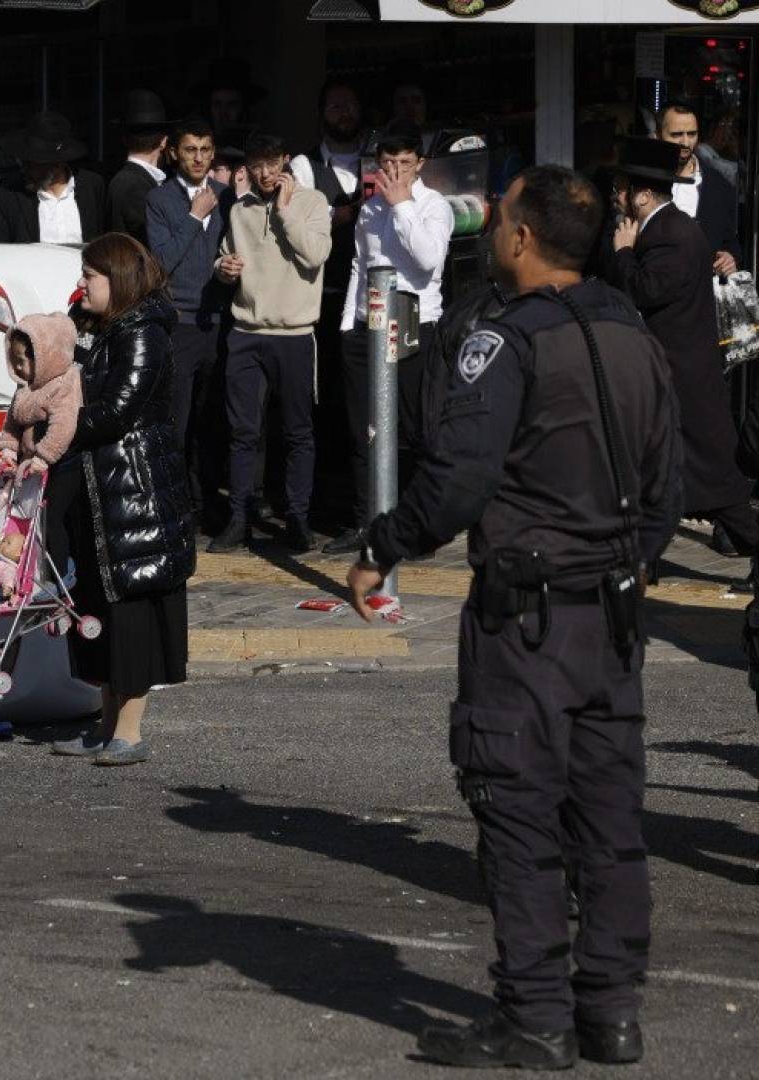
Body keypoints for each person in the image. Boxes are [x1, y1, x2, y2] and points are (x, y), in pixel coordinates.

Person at [347, 164, 679, 1071]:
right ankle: (611, 1012)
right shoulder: (633, 335)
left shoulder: (508, 339)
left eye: (499, 220)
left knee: (520, 813)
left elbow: (458, 480)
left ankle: (536, 1015)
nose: (492, 232)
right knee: (609, 820)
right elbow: (666, 488)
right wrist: (625, 563)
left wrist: (382, 545)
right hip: (611, 618)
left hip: (527, 623)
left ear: (525, 238)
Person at [47, 233, 194, 766]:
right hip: (97, 490)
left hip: (134, 492)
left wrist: (54, 428)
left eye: (91, 276)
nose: (82, 284)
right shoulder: (102, 329)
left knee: (130, 612)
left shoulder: (143, 334)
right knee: (98, 604)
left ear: (119, 279)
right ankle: (104, 725)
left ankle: (128, 732)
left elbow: (117, 410)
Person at [602, 137, 759, 556]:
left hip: (684, 381)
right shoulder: (665, 229)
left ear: (642, 196)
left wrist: (623, 253)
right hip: (674, 379)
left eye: (621, 189)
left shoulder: (670, 234)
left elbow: (644, 290)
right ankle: (636, 560)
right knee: (656, 478)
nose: (615, 197)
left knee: (720, 490)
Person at [324, 126, 455, 555]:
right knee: (364, 429)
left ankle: (417, 525)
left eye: (404, 163)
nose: (395, 171)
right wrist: (348, 323)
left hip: (415, 322)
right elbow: (360, 266)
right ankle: (367, 521)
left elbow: (427, 260)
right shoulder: (369, 209)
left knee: (416, 429)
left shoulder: (434, 206)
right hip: (367, 324)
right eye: (387, 164)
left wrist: (401, 206)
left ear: (419, 164)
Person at [211, 134, 333, 554]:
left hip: (294, 333)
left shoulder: (313, 202)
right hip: (246, 331)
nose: (264, 174)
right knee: (243, 432)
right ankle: (239, 517)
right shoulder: (240, 209)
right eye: (256, 165)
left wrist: (284, 212)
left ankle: (298, 517)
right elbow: (226, 253)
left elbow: (315, 255)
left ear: (285, 161)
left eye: (271, 164)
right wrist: (223, 267)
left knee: (298, 431)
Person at [145, 117, 232, 519]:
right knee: (177, 421)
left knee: (213, 419)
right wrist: (194, 216)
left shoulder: (227, 197)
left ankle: (208, 501)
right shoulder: (160, 199)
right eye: (190, 150)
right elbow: (161, 262)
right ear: (174, 153)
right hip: (180, 322)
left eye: (205, 150)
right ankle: (175, 507)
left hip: (220, 319)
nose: (198, 158)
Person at [289, 80, 367, 506]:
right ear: (321, 114)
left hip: (369, 296)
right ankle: (324, 492)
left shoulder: (377, 159)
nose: (344, 112)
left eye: (350, 104)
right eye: (335, 105)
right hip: (323, 294)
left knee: (362, 397)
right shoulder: (305, 165)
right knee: (323, 394)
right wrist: (344, 214)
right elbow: (298, 224)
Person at [0, 112, 106, 246]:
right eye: (23, 161)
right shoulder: (9, 196)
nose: (24, 169)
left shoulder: (92, 186)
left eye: (32, 163)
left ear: (57, 164)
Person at [654, 100, 741, 274]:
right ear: (658, 136)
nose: (686, 142)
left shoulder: (718, 186)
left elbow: (730, 242)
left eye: (692, 134)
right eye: (676, 134)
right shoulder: (643, 183)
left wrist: (730, 258)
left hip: (702, 287)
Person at [106, 91, 169, 244]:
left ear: (125, 140)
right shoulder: (133, 184)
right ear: (163, 142)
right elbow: (160, 241)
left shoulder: (131, 179)